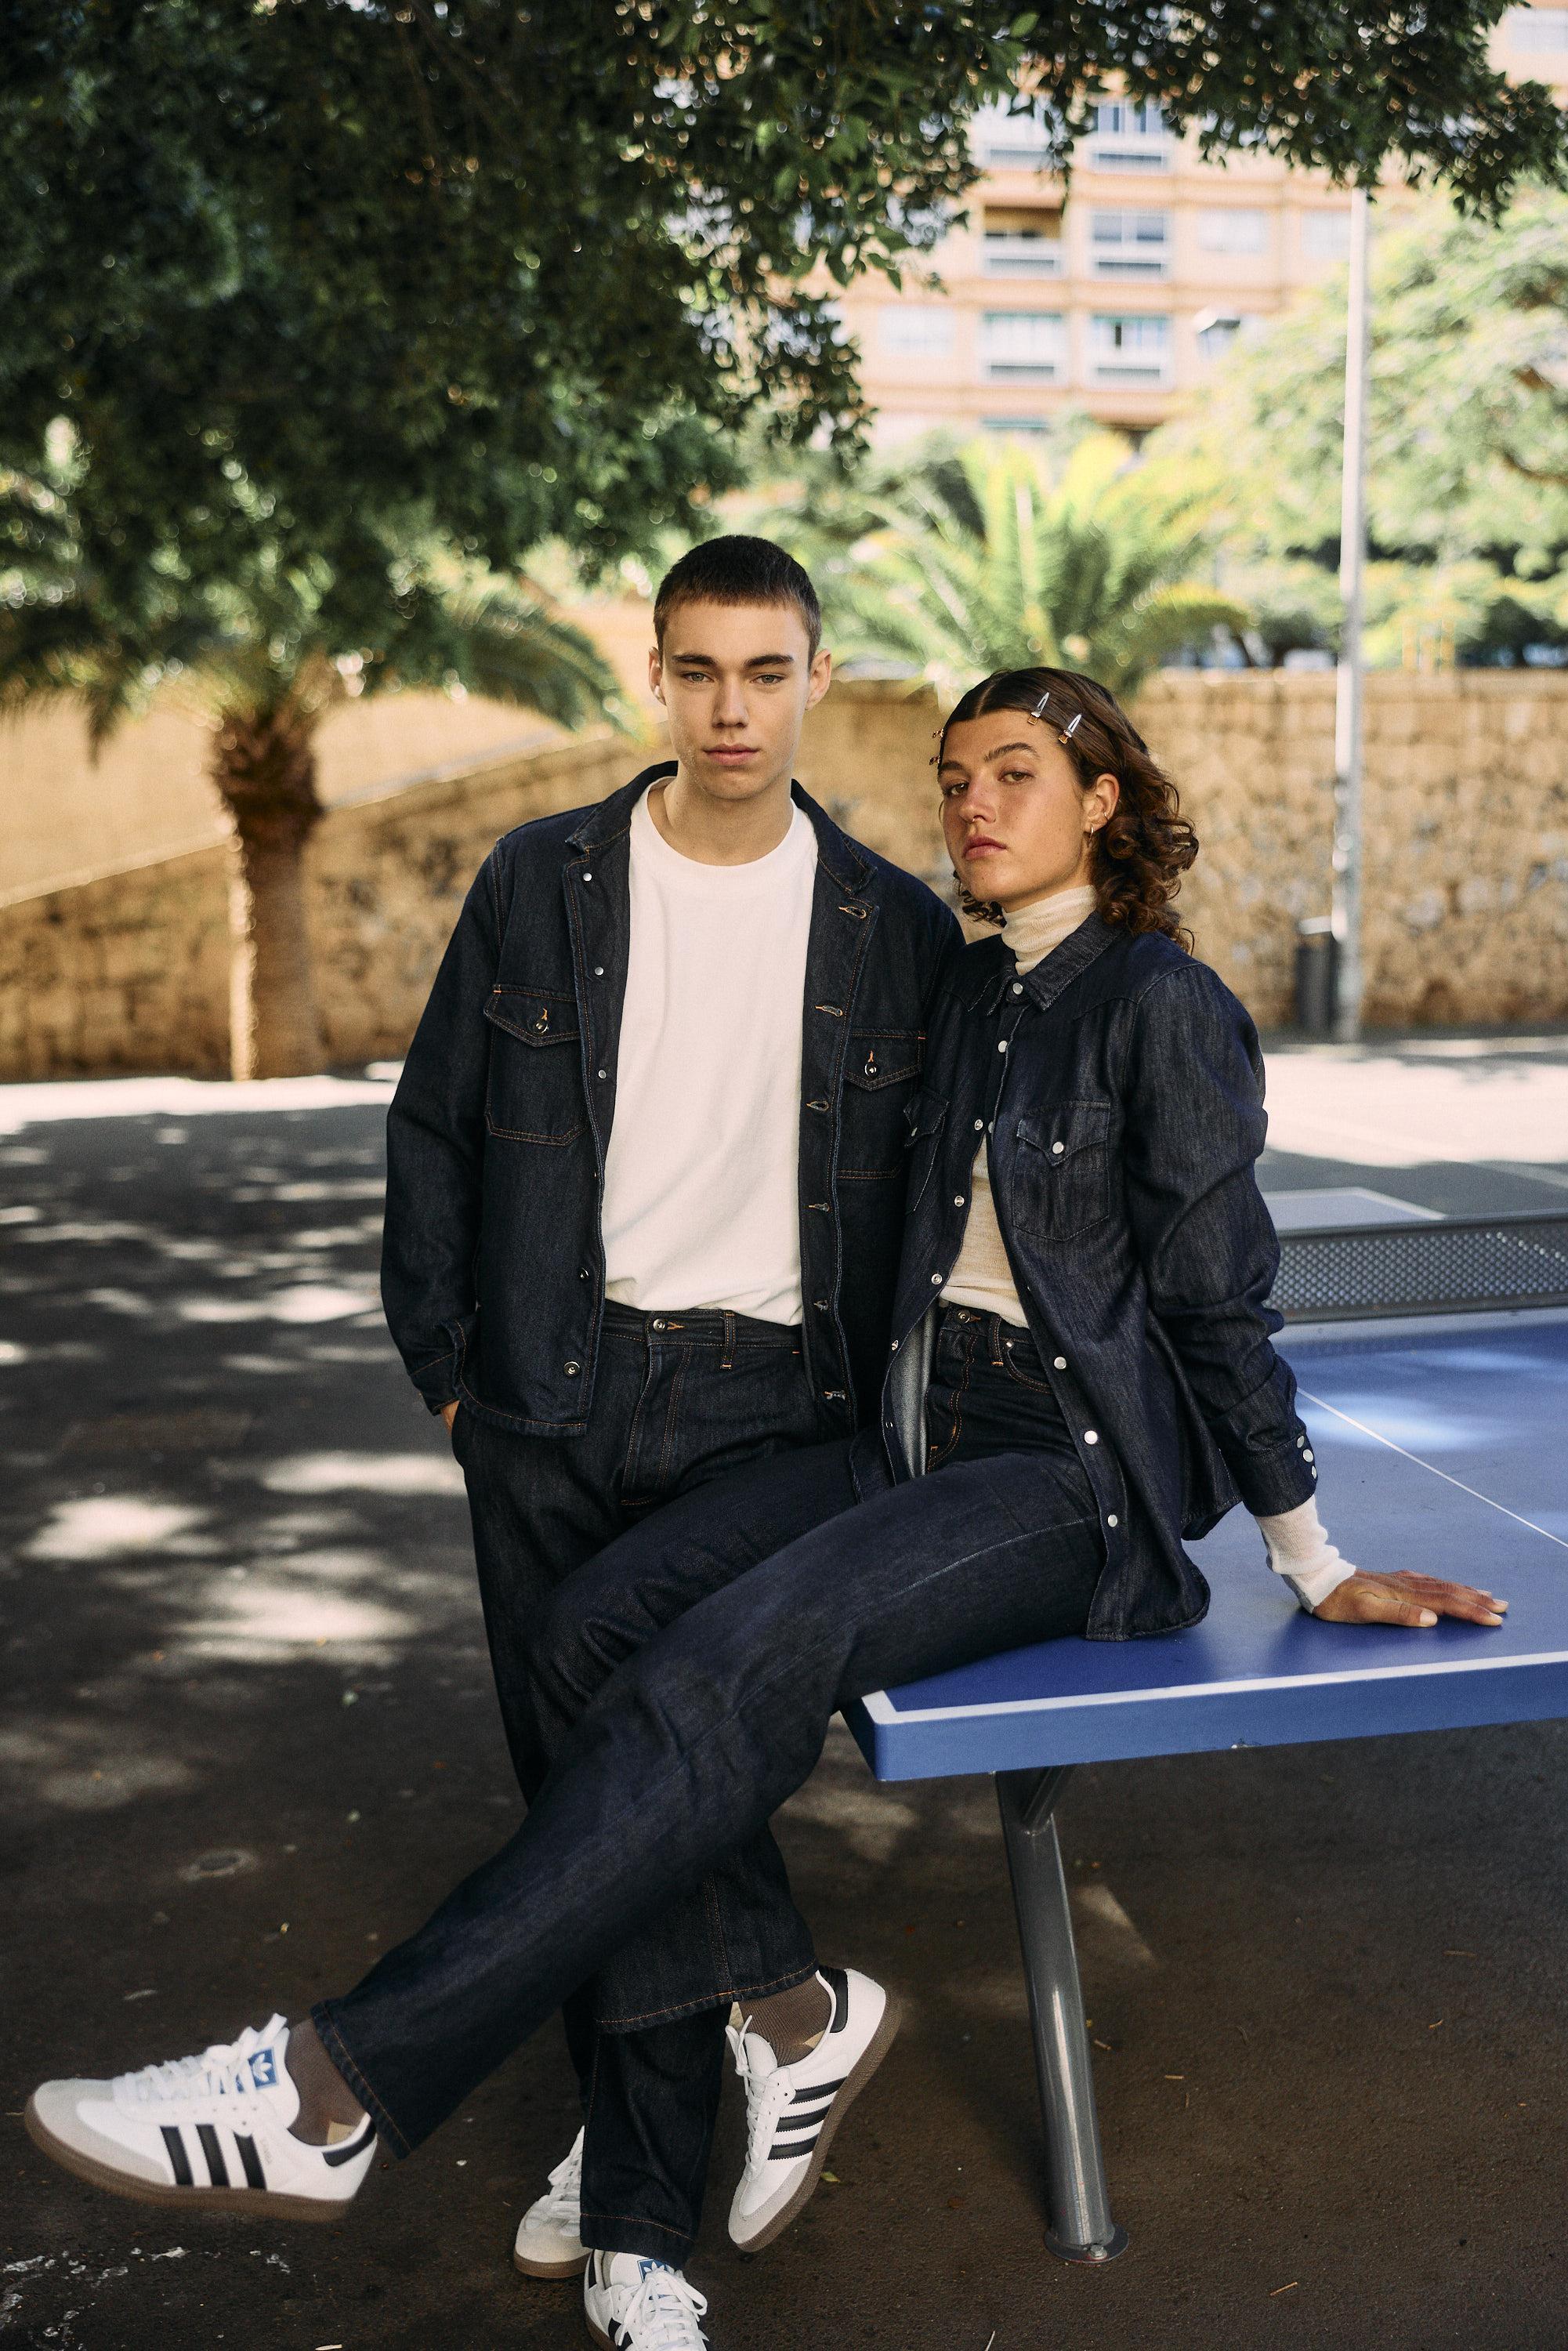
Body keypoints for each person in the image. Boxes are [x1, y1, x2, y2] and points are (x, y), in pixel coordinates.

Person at [28, 667, 1505, 2351]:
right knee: (586, 1629)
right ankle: (791, 2004)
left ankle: (335, 2088)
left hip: (1066, 1480)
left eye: (1014, 774)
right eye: (953, 776)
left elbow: (1219, 1301)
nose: (970, 803)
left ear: (1101, 804)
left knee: (721, 1673)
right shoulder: (968, 986)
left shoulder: (1160, 1005)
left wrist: (1309, 1556)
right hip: (913, 1435)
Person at [376, 531, 957, 2286]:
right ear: (655, 675)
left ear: (817, 679)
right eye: (697, 670)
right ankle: (671, 2127)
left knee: (656, 1785)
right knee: (588, 1797)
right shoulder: (540, 879)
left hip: (772, 1410)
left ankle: (637, 2217)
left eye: (765, 672)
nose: (730, 708)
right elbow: (433, 1129)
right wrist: (452, 1383)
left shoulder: (892, 927)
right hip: (550, 1388)